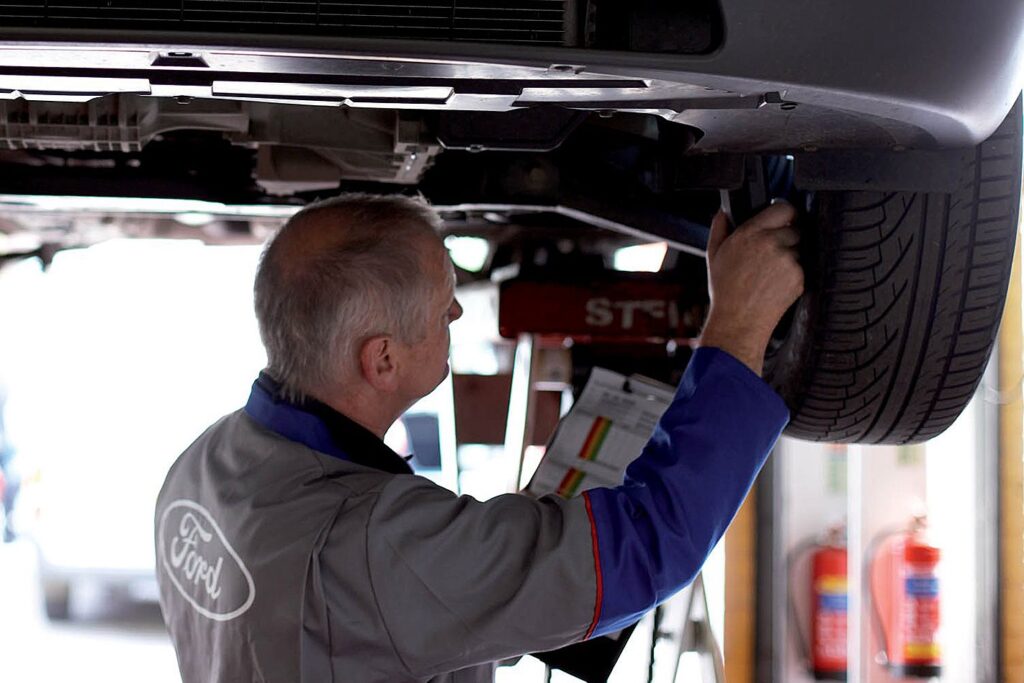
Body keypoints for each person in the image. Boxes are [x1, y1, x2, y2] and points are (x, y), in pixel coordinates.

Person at [155, 193, 803, 683]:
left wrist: (484, 585)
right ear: (381, 361)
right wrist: (738, 326)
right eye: (444, 307)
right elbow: (649, 544)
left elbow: (347, 621)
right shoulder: (377, 547)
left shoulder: (202, 465)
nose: (459, 312)